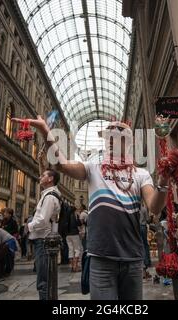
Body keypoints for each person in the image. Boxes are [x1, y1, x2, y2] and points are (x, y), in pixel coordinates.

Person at [22, 116, 169, 300]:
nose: (112, 142)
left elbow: (154, 208)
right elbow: (61, 164)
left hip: (132, 258)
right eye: (109, 138)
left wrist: (163, 181)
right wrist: (45, 130)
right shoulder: (93, 167)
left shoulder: (141, 174)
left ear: (129, 143)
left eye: (119, 137)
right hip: (101, 258)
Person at [26, 169, 61, 300]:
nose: (40, 177)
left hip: (43, 240)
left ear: (51, 178)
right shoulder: (48, 195)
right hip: (43, 240)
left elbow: (42, 220)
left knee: (43, 281)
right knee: (45, 278)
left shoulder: (50, 197)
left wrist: (29, 226)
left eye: (43, 175)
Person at [66, 205, 82, 272]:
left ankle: (72, 266)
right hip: (75, 234)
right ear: (75, 210)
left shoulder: (66, 216)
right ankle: (76, 266)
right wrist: (78, 216)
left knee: (70, 249)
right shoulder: (75, 215)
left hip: (67, 235)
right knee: (77, 249)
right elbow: (79, 224)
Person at [140, 203, 152, 280]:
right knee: (145, 244)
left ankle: (142, 264)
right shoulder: (143, 209)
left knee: (139, 245)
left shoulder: (133, 209)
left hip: (135, 227)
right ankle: (147, 262)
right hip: (143, 227)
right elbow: (148, 220)